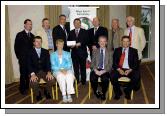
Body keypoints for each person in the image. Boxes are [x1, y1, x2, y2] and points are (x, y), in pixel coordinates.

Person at [111, 36, 139, 100]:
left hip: (129, 69)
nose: (125, 43)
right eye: (124, 41)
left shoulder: (134, 51)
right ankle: (118, 92)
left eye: (127, 41)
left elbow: (136, 63)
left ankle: (128, 91)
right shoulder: (117, 50)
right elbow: (114, 62)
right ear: (121, 42)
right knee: (112, 76)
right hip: (119, 68)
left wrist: (130, 70)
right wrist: (119, 69)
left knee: (136, 76)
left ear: (130, 42)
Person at [28, 36, 55, 101]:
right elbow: (28, 64)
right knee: (34, 82)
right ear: (34, 43)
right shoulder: (29, 52)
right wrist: (32, 74)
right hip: (34, 72)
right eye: (37, 41)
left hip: (44, 71)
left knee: (52, 80)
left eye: (40, 41)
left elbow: (48, 63)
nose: (39, 43)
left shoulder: (45, 51)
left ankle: (47, 90)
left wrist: (49, 72)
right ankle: (38, 93)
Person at [124, 16, 146, 90]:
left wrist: (139, 51)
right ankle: (128, 84)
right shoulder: (126, 30)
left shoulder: (140, 30)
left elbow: (143, 42)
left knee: (136, 71)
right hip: (128, 54)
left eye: (130, 20)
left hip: (136, 55)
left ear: (133, 21)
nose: (129, 22)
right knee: (129, 70)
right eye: (127, 21)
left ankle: (137, 87)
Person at [14, 19, 34, 95]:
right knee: (23, 74)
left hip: (30, 59)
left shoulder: (32, 36)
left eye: (31, 24)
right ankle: (22, 89)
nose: (30, 25)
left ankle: (27, 87)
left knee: (29, 74)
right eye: (28, 24)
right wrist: (19, 57)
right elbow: (16, 47)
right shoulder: (19, 34)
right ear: (24, 25)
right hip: (22, 59)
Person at [68, 18, 89, 85]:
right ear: (73, 24)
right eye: (75, 23)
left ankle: (83, 81)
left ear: (80, 24)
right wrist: (70, 46)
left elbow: (86, 41)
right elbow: (68, 42)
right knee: (75, 68)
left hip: (82, 53)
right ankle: (76, 81)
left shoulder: (85, 31)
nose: (76, 24)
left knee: (83, 68)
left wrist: (80, 43)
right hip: (74, 53)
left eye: (78, 23)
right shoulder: (71, 32)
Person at [90, 36, 112, 100]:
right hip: (96, 68)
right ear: (98, 43)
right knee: (92, 78)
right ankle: (96, 91)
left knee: (105, 79)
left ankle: (103, 92)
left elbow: (110, 64)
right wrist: (95, 70)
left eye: (104, 41)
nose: (102, 43)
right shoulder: (95, 51)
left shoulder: (110, 52)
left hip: (105, 69)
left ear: (106, 42)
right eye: (101, 41)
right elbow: (92, 63)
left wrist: (103, 71)